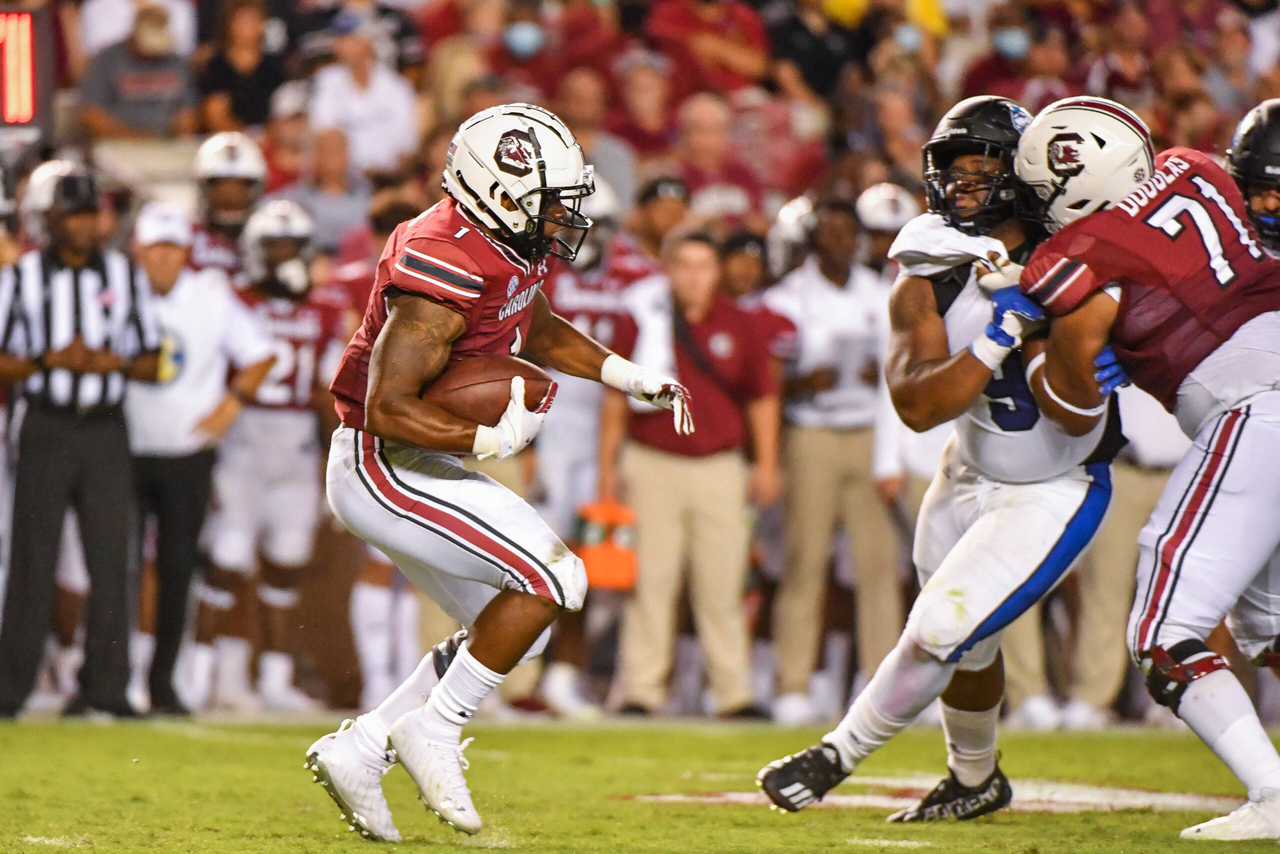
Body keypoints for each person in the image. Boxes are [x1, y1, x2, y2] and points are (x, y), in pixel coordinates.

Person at [308, 104, 691, 841]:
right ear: (502, 190)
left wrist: (625, 374)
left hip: (421, 457)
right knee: (557, 578)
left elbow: (537, 325)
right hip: (381, 462)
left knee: (522, 626)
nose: (564, 217)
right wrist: (484, 437)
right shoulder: (441, 261)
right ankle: (436, 731)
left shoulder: (501, 241)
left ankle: (362, 747)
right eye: (552, 201)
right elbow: (387, 406)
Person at [758, 96, 1121, 822]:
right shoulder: (929, 267)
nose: (959, 187)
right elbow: (920, 406)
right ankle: (974, 777)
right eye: (949, 172)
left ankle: (837, 755)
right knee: (966, 647)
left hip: (1053, 480)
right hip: (966, 469)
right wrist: (998, 335)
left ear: (1020, 173)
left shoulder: (1081, 253)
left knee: (941, 629)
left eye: (977, 170)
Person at [1009, 96, 1280, 840]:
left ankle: (1273, 792)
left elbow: (1074, 402)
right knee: (1268, 623)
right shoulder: (1193, 166)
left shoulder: (1071, 256)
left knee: (1163, 629)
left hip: (1255, 405)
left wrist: (1032, 347)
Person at [0, 162, 161, 718]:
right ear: (49, 218)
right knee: (32, 558)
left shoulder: (123, 273)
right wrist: (49, 360)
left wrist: (106, 362)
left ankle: (106, 688)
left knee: (112, 558)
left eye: (90, 212)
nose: (84, 223)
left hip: (104, 427)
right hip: (45, 423)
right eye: (73, 213)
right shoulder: (19, 278)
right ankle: (10, 689)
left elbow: (150, 358)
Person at [599, 230, 781, 719]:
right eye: (684, 265)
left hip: (719, 467)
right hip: (652, 460)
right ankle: (641, 690)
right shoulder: (644, 316)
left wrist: (766, 464)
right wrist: (607, 469)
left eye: (704, 265)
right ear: (669, 270)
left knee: (721, 586)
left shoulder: (739, 323)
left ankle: (733, 693)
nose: (694, 276)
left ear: (717, 271)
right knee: (650, 583)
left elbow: (762, 397)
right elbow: (615, 397)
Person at [191, 199, 349, 713]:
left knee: (287, 559)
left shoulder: (323, 309)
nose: (286, 257)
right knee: (229, 555)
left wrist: (338, 459)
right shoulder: (233, 301)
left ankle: (274, 680)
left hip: (298, 443)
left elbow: (331, 392)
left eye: (293, 247)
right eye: (275, 247)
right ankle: (199, 673)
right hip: (244, 436)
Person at [124, 202, 275, 715]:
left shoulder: (211, 297)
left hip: (188, 453)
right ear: (137, 249)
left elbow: (260, 353)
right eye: (155, 247)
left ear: (186, 252)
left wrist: (231, 405)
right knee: (117, 568)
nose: (163, 258)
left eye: (172, 248)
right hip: (123, 448)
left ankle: (162, 682)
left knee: (177, 568)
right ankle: (113, 676)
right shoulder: (117, 292)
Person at [762, 199, 903, 725]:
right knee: (805, 561)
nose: (843, 241)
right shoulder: (788, 296)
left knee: (878, 565)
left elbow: (901, 367)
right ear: (816, 238)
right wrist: (803, 380)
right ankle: (792, 682)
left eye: (852, 232)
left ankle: (881, 682)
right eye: (834, 231)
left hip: (869, 432)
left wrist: (878, 373)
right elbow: (768, 381)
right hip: (811, 433)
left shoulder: (881, 293)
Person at [308, 12, 419, 177]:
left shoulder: (396, 87)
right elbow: (324, 131)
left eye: (350, 39)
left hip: (389, 177)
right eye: (339, 39)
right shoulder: (326, 81)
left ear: (369, 42)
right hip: (344, 178)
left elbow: (408, 144)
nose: (342, 45)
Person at [78, 3, 199, 140]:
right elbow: (90, 115)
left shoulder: (176, 62)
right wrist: (135, 139)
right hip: (118, 145)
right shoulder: (106, 60)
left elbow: (188, 113)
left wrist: (177, 139)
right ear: (134, 33)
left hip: (167, 145)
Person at [272, 128, 373, 254]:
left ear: (348, 153)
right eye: (326, 149)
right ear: (313, 155)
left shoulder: (369, 195)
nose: (333, 156)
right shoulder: (293, 199)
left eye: (338, 149)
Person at [198, 0, 287, 131]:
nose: (247, 26)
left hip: (271, 138)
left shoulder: (274, 66)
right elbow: (214, 110)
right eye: (241, 20)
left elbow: (283, 107)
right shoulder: (217, 65)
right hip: (232, 138)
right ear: (229, 24)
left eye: (252, 19)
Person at [191, 131, 268, 276]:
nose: (231, 199)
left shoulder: (270, 241)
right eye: (221, 189)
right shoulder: (184, 240)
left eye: (240, 189)